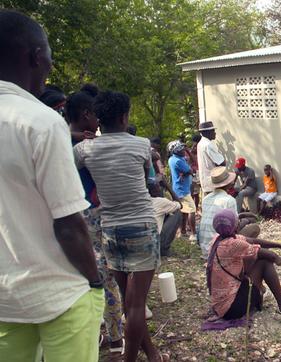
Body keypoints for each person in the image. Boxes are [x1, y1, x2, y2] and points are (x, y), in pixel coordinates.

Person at [0, 10, 103, 362]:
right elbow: (69, 225)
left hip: (4, 300)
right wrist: (94, 280)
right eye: (48, 55)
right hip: (59, 292)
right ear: (35, 56)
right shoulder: (40, 123)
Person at [73, 90, 168, 362]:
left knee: (129, 301)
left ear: (99, 118)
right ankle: (129, 358)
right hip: (141, 226)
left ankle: (151, 352)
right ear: (125, 117)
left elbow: (69, 162)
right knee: (136, 304)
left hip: (110, 230)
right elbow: (149, 177)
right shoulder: (140, 145)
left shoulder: (84, 150)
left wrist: (80, 137)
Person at [67, 85, 125, 354]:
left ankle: (97, 335)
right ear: (86, 113)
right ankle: (114, 338)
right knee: (106, 276)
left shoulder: (65, 141)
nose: (98, 122)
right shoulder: (84, 146)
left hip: (71, 219)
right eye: (95, 116)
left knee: (86, 278)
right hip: (93, 214)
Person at [206, 209, 281, 321]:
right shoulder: (233, 244)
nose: (239, 223)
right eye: (237, 222)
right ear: (234, 226)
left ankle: (261, 293)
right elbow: (269, 255)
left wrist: (279, 245)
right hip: (231, 309)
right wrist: (279, 259)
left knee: (253, 259)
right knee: (265, 262)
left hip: (219, 306)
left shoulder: (217, 239)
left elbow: (251, 240)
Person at [199, 167, 261, 257]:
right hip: (219, 249)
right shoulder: (229, 200)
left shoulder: (206, 199)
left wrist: (243, 215)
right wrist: (247, 220)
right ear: (229, 184)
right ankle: (239, 254)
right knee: (255, 228)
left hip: (205, 249)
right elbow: (235, 227)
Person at [168, 140, 197, 241]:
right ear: (175, 151)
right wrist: (188, 172)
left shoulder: (173, 158)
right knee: (192, 210)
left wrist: (188, 150)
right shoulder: (178, 161)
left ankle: (182, 232)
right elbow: (190, 170)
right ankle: (193, 234)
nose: (183, 151)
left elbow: (191, 164)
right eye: (180, 149)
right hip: (182, 190)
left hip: (179, 188)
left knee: (184, 211)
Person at [148, 181, 182, 257]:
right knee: (177, 213)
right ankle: (164, 249)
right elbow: (180, 205)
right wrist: (168, 187)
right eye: (159, 187)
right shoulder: (160, 201)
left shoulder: (142, 201)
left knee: (167, 213)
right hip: (154, 242)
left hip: (142, 242)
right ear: (155, 191)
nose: (161, 189)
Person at [197, 121, 226, 196]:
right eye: (213, 131)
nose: (215, 133)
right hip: (213, 181)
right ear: (207, 132)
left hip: (205, 181)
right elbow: (221, 162)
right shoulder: (208, 145)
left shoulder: (200, 143)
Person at [190, 134, 202, 211]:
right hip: (195, 171)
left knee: (195, 193)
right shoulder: (194, 149)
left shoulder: (199, 148)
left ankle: (195, 208)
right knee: (193, 193)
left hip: (197, 172)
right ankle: (194, 209)